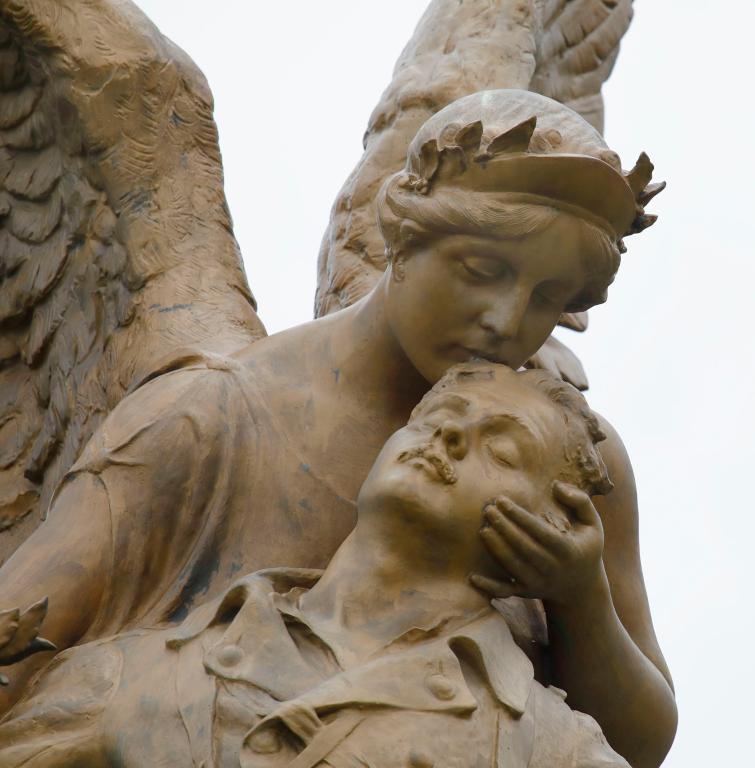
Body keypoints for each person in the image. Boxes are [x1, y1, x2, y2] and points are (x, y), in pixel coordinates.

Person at [0, 89, 675, 766]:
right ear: (404, 235)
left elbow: (636, 746)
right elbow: (25, 631)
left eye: (547, 301)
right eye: (482, 271)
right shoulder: (208, 418)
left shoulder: (565, 457)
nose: (505, 320)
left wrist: (580, 602)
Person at [0, 363, 632, 768]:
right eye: (433, 420)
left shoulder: (552, 749)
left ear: (556, 524)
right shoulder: (131, 675)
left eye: (502, 447)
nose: (449, 439)